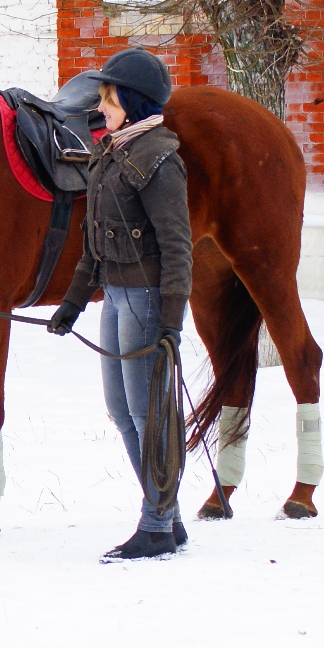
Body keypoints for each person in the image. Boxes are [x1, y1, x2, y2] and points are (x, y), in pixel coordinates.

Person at [46, 47, 193, 562]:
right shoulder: (112, 152)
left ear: (130, 101)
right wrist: (71, 303)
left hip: (147, 300)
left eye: (107, 96)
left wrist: (172, 321)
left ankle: (156, 523)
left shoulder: (158, 159)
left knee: (149, 413)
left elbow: (177, 247)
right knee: (122, 410)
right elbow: (93, 241)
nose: (100, 105)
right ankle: (167, 516)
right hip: (115, 296)